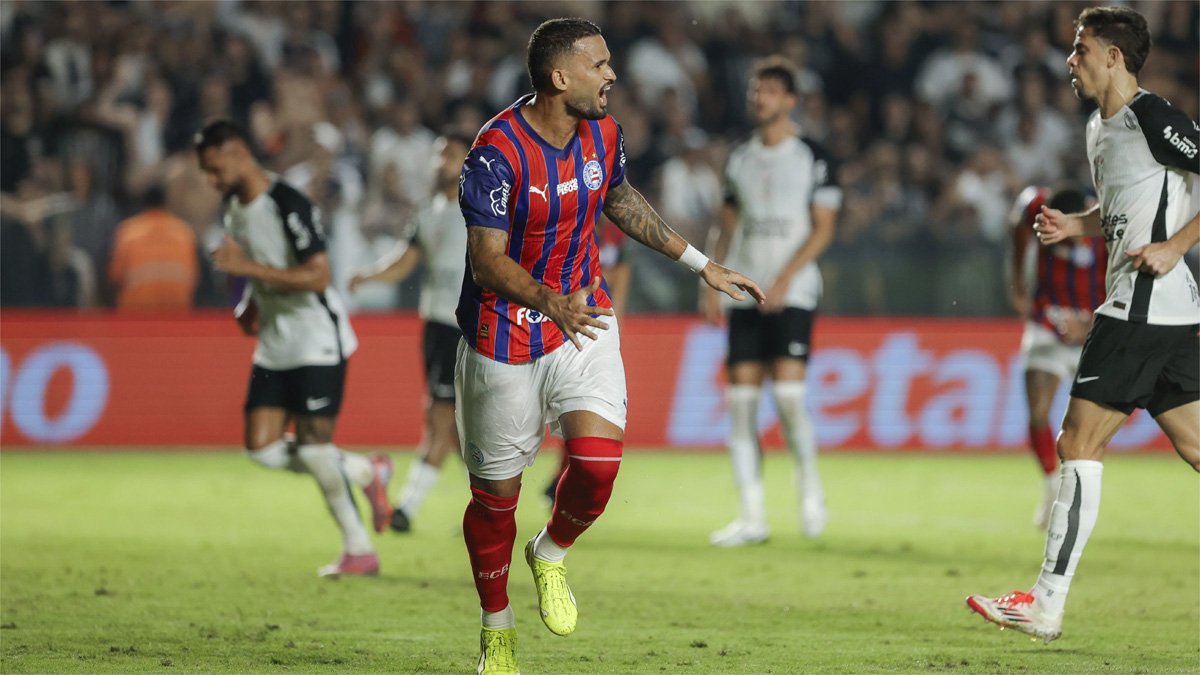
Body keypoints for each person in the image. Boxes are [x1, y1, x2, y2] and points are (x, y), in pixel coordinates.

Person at [456, 18, 764, 674]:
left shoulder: (605, 132)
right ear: (559, 76)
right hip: (505, 335)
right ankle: (497, 628)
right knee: (493, 502)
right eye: (599, 65)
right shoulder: (496, 152)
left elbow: (619, 199)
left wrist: (700, 263)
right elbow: (486, 261)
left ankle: (551, 553)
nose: (613, 76)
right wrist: (547, 301)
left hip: (585, 318)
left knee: (596, 466)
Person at [967, 6, 1199, 643]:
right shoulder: (1103, 128)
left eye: (1080, 49)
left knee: (1077, 444)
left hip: (1141, 307)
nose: (1070, 61)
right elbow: (1126, 207)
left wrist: (1177, 245)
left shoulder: (1154, 117)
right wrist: (1077, 224)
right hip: (1167, 312)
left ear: (1113, 57)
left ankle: (1044, 603)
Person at [195, 119, 394, 577]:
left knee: (314, 446)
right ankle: (366, 471)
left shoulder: (288, 203)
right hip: (275, 343)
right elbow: (261, 270)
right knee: (261, 448)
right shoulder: (233, 209)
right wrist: (248, 303)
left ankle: (358, 548)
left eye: (213, 168)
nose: (211, 180)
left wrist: (246, 269)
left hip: (317, 340)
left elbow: (317, 276)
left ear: (237, 152)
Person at [701, 56, 841, 547]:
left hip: (794, 291)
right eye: (754, 91)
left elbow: (824, 227)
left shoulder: (814, 156)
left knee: (787, 399)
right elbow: (727, 221)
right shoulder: (739, 157)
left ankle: (809, 490)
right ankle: (752, 516)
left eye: (767, 91)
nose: (757, 98)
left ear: (789, 100)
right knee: (740, 405)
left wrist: (784, 279)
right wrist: (709, 275)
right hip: (743, 291)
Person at [348, 131, 473, 533]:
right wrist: (368, 276)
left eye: (450, 155)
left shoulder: (482, 209)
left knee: (440, 417)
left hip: (465, 326)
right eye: (438, 156)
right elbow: (406, 261)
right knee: (452, 425)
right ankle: (488, 509)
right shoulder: (428, 212)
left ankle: (406, 508)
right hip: (435, 323)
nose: (441, 164)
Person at [1008, 185, 1107, 528]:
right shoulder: (1036, 207)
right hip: (1046, 323)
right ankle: (1051, 485)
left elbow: (1130, 283)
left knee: (1082, 429)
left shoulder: (1109, 224)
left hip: (1095, 333)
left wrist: (1091, 321)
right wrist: (1018, 282)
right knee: (1037, 412)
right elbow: (1019, 222)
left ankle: (1076, 495)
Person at [108, 185, 200, 310]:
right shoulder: (184, 233)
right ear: (165, 204)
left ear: (143, 205)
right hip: (177, 314)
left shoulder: (128, 233)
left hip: (135, 315)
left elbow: (115, 276)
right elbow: (194, 278)